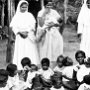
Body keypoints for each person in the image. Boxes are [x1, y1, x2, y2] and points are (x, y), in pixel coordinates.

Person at [10, 0, 40, 70]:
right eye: (23, 7)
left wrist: (27, 32)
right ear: (19, 7)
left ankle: (31, 65)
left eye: (25, 7)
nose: (24, 9)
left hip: (28, 35)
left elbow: (33, 25)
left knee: (29, 50)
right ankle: (21, 66)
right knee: (21, 50)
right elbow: (13, 27)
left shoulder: (30, 15)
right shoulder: (16, 16)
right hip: (20, 36)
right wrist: (20, 32)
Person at [37, 1, 63, 68]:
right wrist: (44, 13)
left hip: (54, 33)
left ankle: (55, 67)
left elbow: (60, 22)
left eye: (50, 5)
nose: (49, 7)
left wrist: (54, 24)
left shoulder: (54, 12)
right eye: (47, 5)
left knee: (55, 51)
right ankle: (45, 65)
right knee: (45, 51)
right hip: (45, 34)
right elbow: (40, 24)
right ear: (45, 5)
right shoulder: (41, 12)